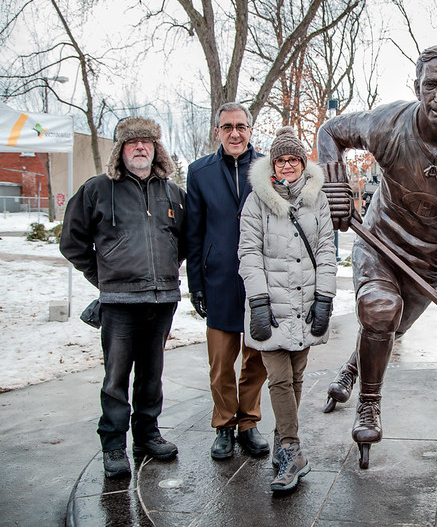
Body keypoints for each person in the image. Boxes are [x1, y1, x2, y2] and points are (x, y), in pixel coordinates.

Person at [317, 44, 437, 465]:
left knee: (388, 328)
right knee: (380, 309)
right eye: (431, 84)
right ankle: (369, 403)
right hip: (378, 239)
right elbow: (330, 132)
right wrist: (335, 185)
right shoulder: (388, 123)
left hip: (427, 262)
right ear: (416, 87)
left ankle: (351, 369)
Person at [60, 117, 186, 478]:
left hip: (162, 300)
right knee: (116, 379)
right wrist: (104, 278)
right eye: (133, 143)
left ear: (156, 148)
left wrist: (164, 270)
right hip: (118, 303)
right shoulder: (98, 189)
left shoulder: (173, 193)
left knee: (152, 375)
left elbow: (184, 240)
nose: (141, 147)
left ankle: (147, 436)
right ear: (121, 150)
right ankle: (113, 444)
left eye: (147, 142)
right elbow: (72, 242)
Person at [238, 126, 336, 492]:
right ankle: (294, 451)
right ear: (273, 166)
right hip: (272, 303)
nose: (288, 165)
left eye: (294, 159)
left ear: (302, 162)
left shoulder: (318, 199)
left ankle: (282, 446)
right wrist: (259, 301)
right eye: (281, 160)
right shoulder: (256, 201)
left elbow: (327, 250)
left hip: (306, 302)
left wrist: (324, 298)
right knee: (278, 377)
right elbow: (248, 253)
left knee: (295, 377)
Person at [186, 102, 270, 461]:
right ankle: (224, 424)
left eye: (241, 126)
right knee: (221, 362)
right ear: (217, 131)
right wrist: (195, 283)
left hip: (259, 282)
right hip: (218, 279)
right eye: (227, 127)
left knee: (257, 359)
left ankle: (248, 423)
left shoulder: (268, 168)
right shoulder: (199, 172)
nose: (234, 133)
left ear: (250, 130)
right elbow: (193, 231)